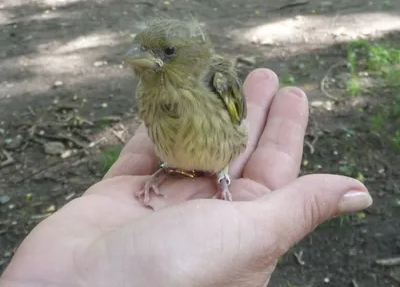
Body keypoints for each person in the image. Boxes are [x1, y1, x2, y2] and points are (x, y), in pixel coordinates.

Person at [0, 69, 372, 287]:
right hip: (167, 163)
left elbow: (237, 123)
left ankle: (219, 174)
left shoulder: (217, 82)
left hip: (219, 155)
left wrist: (223, 175)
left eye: (165, 53)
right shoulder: (150, 93)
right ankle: (168, 169)